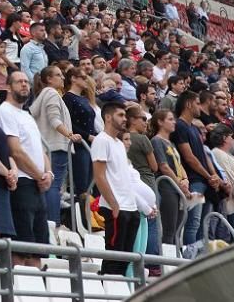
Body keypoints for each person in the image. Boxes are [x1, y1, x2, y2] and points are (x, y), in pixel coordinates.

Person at [0, 71, 51, 266]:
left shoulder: (26, 114)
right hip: (23, 183)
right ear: (8, 87)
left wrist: (48, 173)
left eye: (26, 81)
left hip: (36, 184)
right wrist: (40, 175)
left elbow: (40, 149)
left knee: (38, 250)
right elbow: (15, 151)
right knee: (20, 249)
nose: (25, 85)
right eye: (19, 82)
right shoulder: (4, 111)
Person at [91, 101, 139, 274]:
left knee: (126, 258)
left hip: (130, 207)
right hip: (116, 207)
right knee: (114, 257)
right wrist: (114, 205)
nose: (124, 119)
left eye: (125, 115)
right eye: (120, 115)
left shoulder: (119, 143)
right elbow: (99, 176)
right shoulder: (101, 140)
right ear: (108, 117)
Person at [31, 65, 81, 226]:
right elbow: (54, 120)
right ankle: (53, 222)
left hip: (48, 147)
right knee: (54, 186)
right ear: (49, 79)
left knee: (51, 185)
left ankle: (49, 221)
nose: (63, 78)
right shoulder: (52, 94)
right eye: (58, 75)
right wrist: (69, 135)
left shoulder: (44, 95)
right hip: (56, 146)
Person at [173, 90, 219, 245]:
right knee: (193, 222)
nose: (200, 107)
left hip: (204, 180)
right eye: (198, 103)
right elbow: (189, 157)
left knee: (202, 224)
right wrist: (208, 176)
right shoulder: (180, 126)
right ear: (188, 104)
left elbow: (204, 155)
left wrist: (213, 176)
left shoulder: (194, 127)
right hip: (194, 181)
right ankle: (190, 257)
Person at [150, 109, 190, 245]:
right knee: (169, 228)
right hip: (167, 187)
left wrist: (185, 180)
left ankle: (174, 257)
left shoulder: (171, 143)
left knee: (177, 229)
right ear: (160, 122)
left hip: (177, 187)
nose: (174, 122)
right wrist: (180, 183)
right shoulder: (156, 141)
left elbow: (179, 164)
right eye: (170, 119)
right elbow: (163, 166)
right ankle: (167, 262)